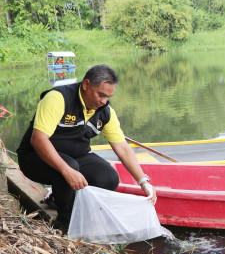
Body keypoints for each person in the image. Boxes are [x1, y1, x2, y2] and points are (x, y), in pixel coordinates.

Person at [16, 64, 157, 231]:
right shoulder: (58, 98)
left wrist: (143, 181)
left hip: (74, 156)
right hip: (35, 157)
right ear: (86, 85)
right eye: (101, 95)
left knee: (108, 177)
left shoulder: (105, 111)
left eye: (108, 97)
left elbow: (123, 148)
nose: (104, 101)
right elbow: (38, 140)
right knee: (69, 167)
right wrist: (67, 171)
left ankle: (60, 198)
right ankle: (64, 224)